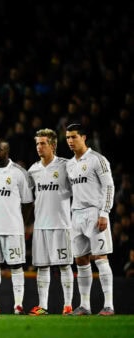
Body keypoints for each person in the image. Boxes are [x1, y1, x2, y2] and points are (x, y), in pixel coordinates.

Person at [65, 123, 115, 316]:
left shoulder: (97, 160)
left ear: (84, 137)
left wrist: (105, 213)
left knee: (101, 258)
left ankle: (109, 305)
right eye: (68, 137)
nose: (70, 141)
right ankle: (85, 305)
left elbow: (109, 186)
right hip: (76, 214)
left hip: (95, 213)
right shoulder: (70, 164)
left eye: (74, 137)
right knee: (81, 260)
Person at [0, 138, 33, 315]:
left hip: (13, 229)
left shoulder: (19, 173)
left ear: (7, 151)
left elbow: (27, 203)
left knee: (16, 267)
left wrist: (22, 224)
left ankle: (18, 305)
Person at [27, 129, 74, 316]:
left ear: (53, 145)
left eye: (43, 143)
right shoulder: (33, 170)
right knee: (42, 266)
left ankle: (68, 305)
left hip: (61, 224)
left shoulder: (66, 166)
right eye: (37, 143)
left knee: (64, 265)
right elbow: (30, 199)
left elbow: (77, 191)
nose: (39, 147)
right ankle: (43, 306)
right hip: (40, 226)